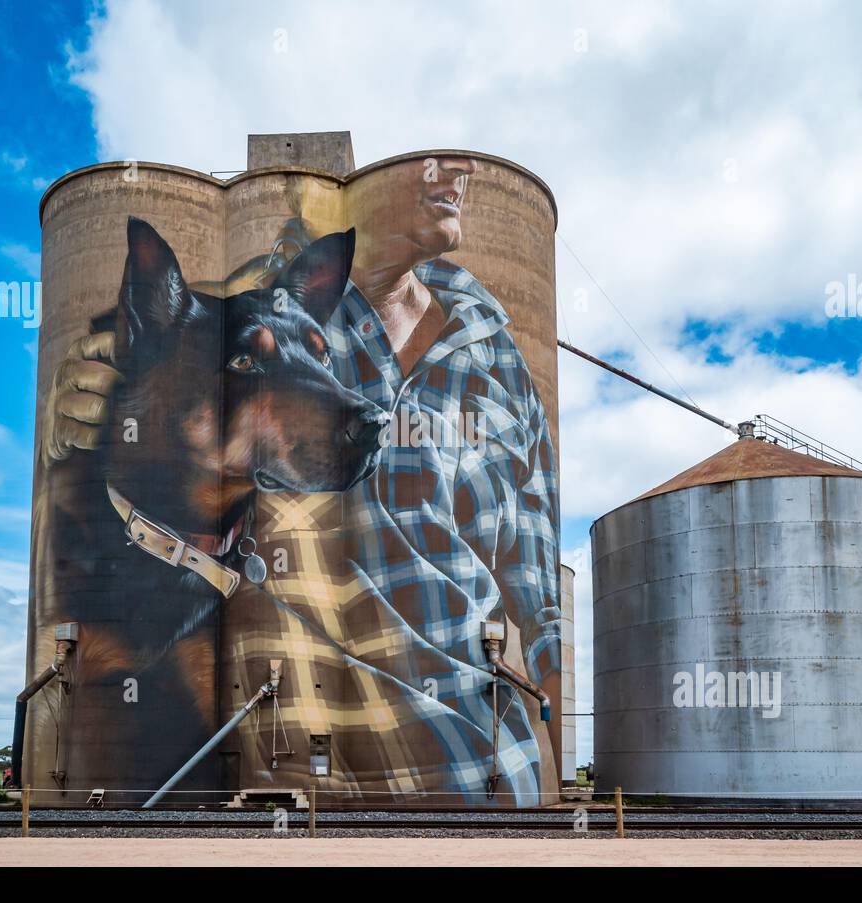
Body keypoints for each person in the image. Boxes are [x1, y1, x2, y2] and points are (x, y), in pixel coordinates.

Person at [42, 156, 562, 803]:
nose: (453, 173)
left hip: (489, 771)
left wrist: (554, 764)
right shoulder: (237, 290)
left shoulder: (499, 356)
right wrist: (84, 381)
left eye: (318, 356)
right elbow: (119, 361)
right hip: (326, 765)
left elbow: (540, 598)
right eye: (245, 362)